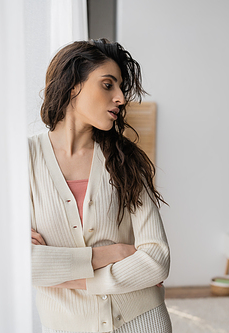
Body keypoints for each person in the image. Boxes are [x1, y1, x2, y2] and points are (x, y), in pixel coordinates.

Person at [29, 39, 171, 333]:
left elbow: (157, 260)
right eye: (108, 85)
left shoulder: (126, 160)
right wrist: (112, 253)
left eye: (120, 87)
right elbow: (21, 262)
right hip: (66, 325)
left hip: (142, 319)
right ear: (72, 86)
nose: (120, 97)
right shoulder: (23, 162)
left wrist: (66, 276)